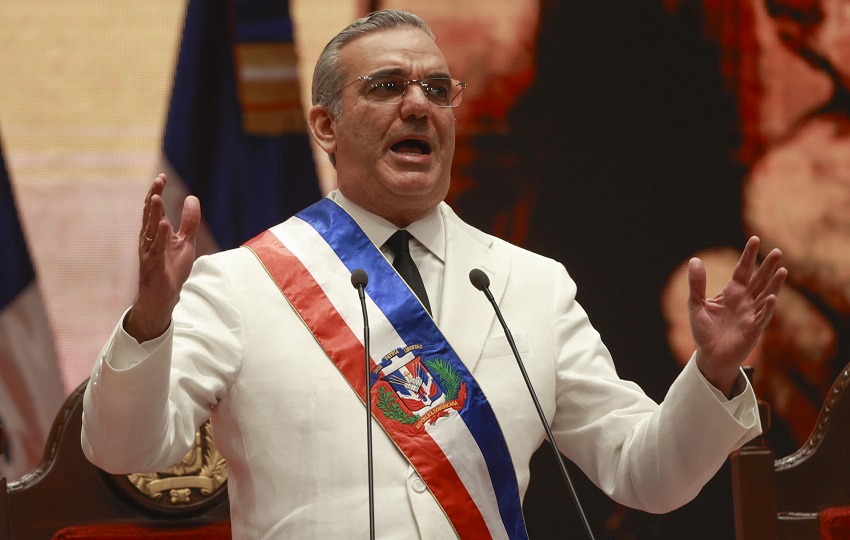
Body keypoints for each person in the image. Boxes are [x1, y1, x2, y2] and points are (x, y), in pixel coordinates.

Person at [82, 9, 787, 539]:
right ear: (325, 127)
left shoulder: (532, 286)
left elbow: (647, 475)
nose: (417, 104)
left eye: (437, 89)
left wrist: (713, 373)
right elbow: (123, 449)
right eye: (387, 86)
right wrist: (148, 324)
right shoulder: (240, 283)